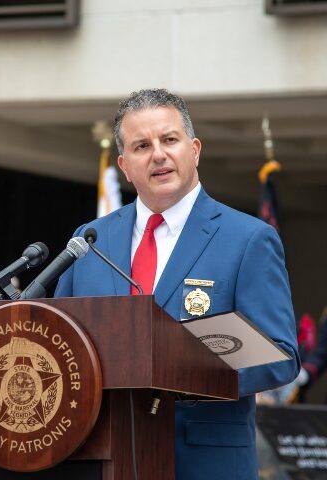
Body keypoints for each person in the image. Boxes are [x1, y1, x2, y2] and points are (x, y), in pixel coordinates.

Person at [54, 89, 300, 480]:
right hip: (100, 458)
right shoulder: (89, 239)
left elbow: (281, 355)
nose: (158, 154)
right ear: (125, 165)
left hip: (204, 463)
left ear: (194, 149)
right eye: (141, 145)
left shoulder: (248, 238)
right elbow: (59, 342)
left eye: (169, 140)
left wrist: (183, 373)